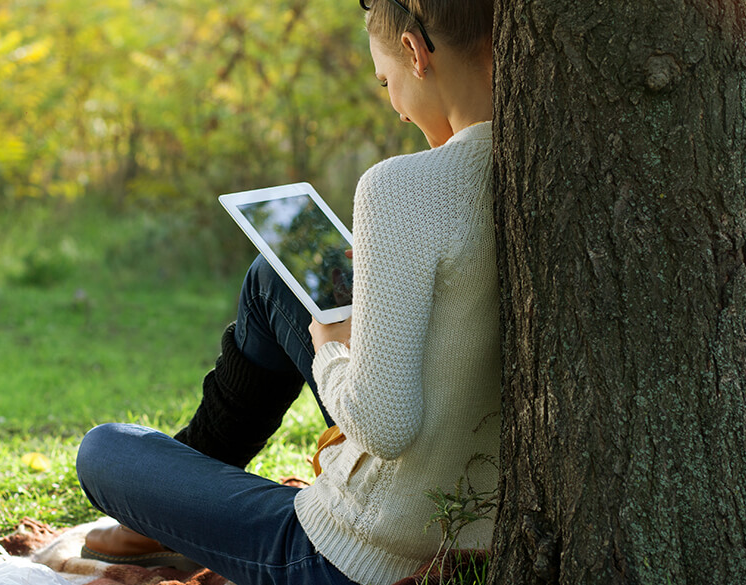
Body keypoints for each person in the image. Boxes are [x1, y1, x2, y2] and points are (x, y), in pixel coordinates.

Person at [75, 0, 498, 583]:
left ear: (414, 52)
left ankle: (171, 510)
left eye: (385, 82)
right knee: (276, 278)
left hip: (358, 554)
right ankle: (188, 480)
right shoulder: (560, 165)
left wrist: (332, 349)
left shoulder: (402, 188)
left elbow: (387, 424)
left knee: (105, 451)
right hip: (477, 481)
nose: (396, 109)